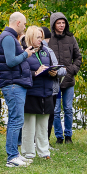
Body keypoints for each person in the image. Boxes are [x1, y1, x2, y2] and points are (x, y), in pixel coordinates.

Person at [0, 12, 33, 168]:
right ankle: (12, 157)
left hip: (15, 83)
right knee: (15, 120)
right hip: (13, 84)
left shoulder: (10, 38)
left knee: (17, 119)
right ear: (18, 23)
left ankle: (15, 154)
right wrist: (26, 53)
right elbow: (11, 62)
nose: (24, 27)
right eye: (24, 24)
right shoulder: (8, 38)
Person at [21, 26, 61, 160]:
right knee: (29, 126)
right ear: (30, 37)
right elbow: (21, 73)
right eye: (38, 37)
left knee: (43, 125)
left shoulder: (46, 52)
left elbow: (50, 66)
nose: (41, 40)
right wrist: (35, 73)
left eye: (41, 37)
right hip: (31, 93)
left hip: (46, 92)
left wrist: (53, 73)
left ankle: (44, 152)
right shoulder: (23, 52)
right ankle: (28, 152)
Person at [48, 13, 81, 144]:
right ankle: (58, 136)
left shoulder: (71, 38)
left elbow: (78, 57)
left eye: (63, 23)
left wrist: (72, 70)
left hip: (68, 79)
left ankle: (68, 135)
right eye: (58, 23)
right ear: (53, 24)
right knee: (55, 110)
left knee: (68, 108)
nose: (61, 25)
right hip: (54, 79)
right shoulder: (49, 39)